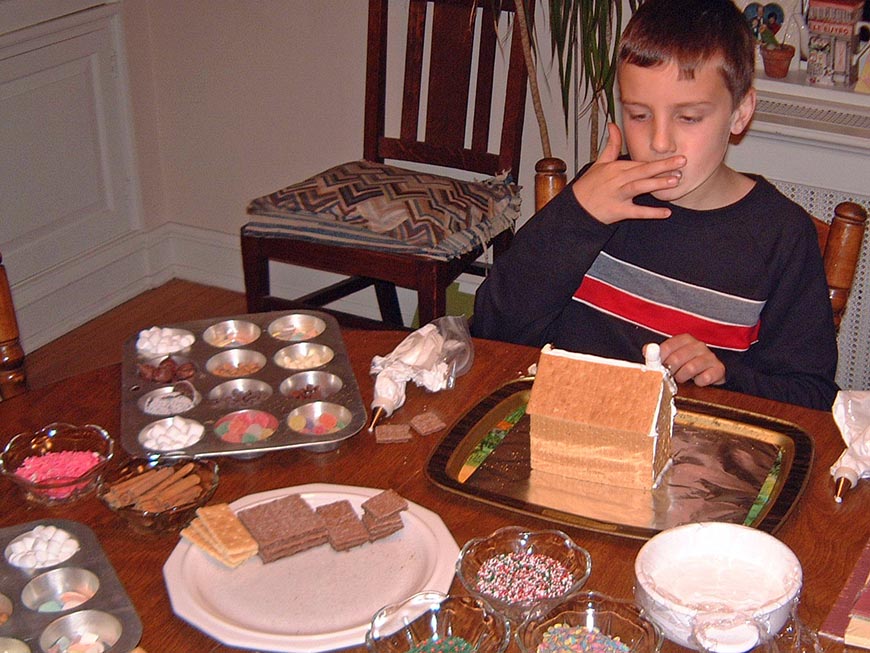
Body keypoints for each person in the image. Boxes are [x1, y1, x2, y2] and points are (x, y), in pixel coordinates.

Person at [471, 0, 839, 411]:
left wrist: (726, 376)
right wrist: (575, 215)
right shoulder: (597, 197)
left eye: (689, 117)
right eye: (640, 115)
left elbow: (813, 397)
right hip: (569, 425)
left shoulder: (780, 235)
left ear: (740, 113)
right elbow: (492, 329)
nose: (659, 142)